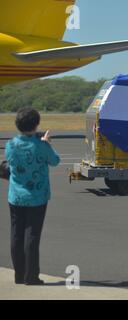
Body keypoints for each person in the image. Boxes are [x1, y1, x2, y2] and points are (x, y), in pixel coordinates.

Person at [5, 107, 60, 285]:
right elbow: (55, 161)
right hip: (37, 197)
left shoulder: (11, 144)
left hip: (16, 196)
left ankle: (19, 274)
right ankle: (31, 275)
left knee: (16, 235)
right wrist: (46, 142)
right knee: (32, 236)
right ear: (36, 124)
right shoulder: (41, 146)